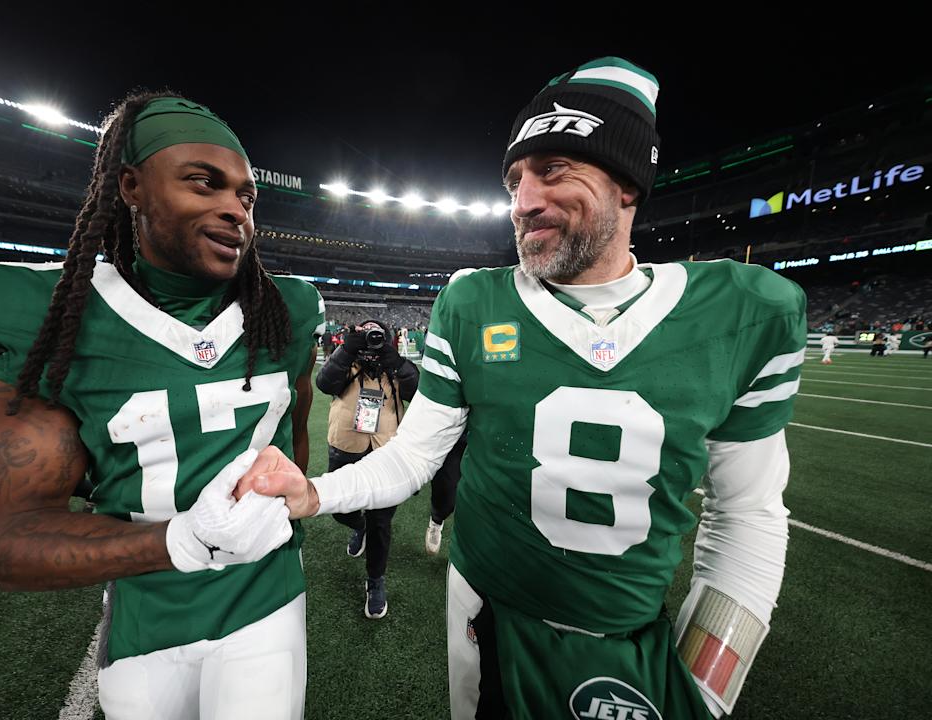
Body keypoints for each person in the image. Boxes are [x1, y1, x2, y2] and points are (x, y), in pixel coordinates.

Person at [243, 57, 805, 719]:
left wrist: (707, 688)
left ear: (627, 181)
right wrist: (315, 492)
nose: (523, 201)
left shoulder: (745, 311)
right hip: (483, 608)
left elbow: (747, 517)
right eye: (515, 179)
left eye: (554, 170)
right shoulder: (474, 300)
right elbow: (417, 453)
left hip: (627, 626)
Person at [0, 93, 323, 720]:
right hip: (147, 604)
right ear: (131, 186)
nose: (234, 210)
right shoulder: (52, 318)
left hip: (263, 595)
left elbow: (295, 440)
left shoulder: (289, 311)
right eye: (204, 182)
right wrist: (184, 541)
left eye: (246, 197)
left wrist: (283, 514)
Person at [316, 319, 418, 618]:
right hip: (346, 446)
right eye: (364, 333)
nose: (370, 339)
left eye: (376, 334)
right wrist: (347, 351)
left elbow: (417, 391)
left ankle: (375, 581)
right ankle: (357, 525)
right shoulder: (346, 361)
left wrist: (396, 361)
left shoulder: (395, 365)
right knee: (340, 510)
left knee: (381, 523)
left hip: (386, 450)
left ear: (385, 338)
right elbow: (324, 383)